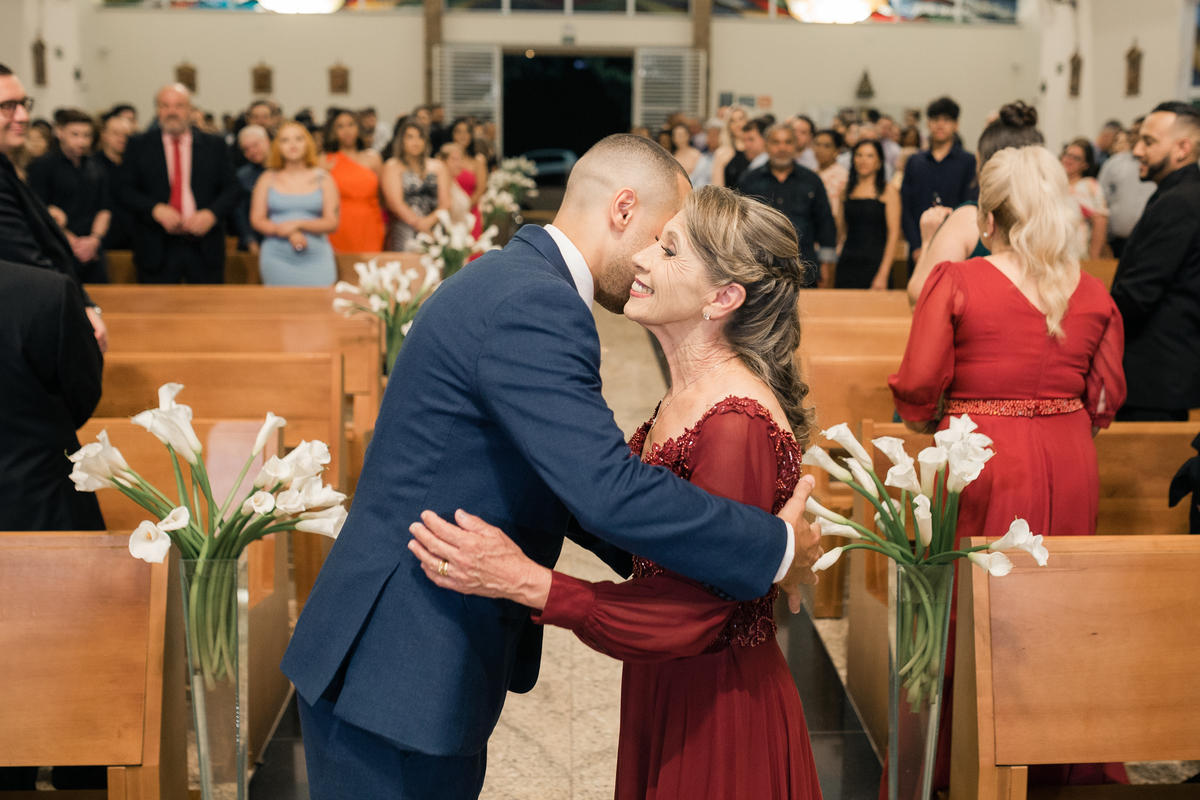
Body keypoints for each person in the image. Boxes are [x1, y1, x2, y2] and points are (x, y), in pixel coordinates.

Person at [280, 134, 823, 800]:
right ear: (623, 209)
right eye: (659, 237)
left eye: (670, 248)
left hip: (402, 657)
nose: (648, 258)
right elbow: (602, 487)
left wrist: (708, 563)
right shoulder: (537, 301)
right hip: (399, 667)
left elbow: (567, 480)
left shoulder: (513, 278)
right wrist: (773, 546)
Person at [890, 145, 1128, 794]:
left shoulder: (958, 280)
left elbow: (919, 384)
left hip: (983, 456)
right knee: (1058, 607)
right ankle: (1057, 756)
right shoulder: (1091, 291)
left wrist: (931, 417)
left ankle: (964, 759)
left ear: (988, 219)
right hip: (1069, 456)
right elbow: (1107, 397)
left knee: (975, 608)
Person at [0, 63, 106, 351]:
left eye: (23, 104)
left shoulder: (7, 167)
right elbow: (26, 258)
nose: (23, 116)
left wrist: (85, 302)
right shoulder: (34, 168)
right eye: (7, 106)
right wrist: (80, 309)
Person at [1110, 101, 1200, 422]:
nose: (1137, 151)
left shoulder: (1179, 202)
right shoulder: (1178, 194)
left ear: (1182, 148)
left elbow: (1139, 292)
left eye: (1148, 142)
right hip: (1161, 373)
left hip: (1155, 376)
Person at [907, 100, 1043, 306]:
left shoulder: (970, 218)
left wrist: (928, 241)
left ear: (983, 161)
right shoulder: (1048, 215)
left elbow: (921, 296)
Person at [113, 83, 239, 284]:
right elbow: (123, 189)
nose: (172, 112)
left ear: (190, 109)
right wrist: (154, 209)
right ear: (157, 110)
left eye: (179, 105)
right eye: (165, 105)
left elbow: (232, 188)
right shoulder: (139, 145)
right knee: (156, 305)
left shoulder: (214, 145)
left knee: (206, 304)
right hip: (156, 244)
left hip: (204, 245)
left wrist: (211, 214)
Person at [737, 123, 836, 288]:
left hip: (805, 269)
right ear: (766, 146)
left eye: (788, 142)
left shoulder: (812, 181)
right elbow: (738, 226)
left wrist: (826, 266)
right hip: (760, 271)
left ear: (796, 146)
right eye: (776, 142)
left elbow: (825, 223)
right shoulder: (749, 181)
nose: (782, 148)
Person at [27, 108, 112, 284]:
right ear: (59, 132)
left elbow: (104, 208)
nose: (82, 141)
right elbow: (40, 209)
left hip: (93, 249)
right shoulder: (42, 166)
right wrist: (73, 242)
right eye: (75, 134)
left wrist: (94, 240)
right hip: (58, 248)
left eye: (87, 135)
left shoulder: (97, 166)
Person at [250, 121, 338, 286]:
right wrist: (288, 232)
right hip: (277, 257)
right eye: (285, 140)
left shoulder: (324, 179)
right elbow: (257, 219)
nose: (292, 144)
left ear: (308, 143)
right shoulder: (267, 179)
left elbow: (332, 222)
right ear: (277, 147)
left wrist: (297, 224)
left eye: (298, 139)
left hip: (316, 257)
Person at [900, 96, 978, 272]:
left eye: (947, 120)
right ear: (928, 123)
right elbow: (906, 208)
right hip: (919, 249)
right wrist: (916, 246)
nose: (940, 125)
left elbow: (969, 206)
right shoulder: (915, 162)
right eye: (935, 119)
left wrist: (956, 246)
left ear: (956, 125)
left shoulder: (968, 162)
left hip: (956, 249)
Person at [836, 139, 901, 290]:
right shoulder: (845, 191)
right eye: (859, 155)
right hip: (848, 261)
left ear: (879, 162)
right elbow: (841, 230)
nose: (863, 160)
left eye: (870, 156)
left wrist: (883, 273)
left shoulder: (889, 191)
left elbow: (893, 235)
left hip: (876, 262)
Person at [320, 109, 385, 253]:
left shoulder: (373, 159)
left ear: (358, 128)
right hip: (339, 224)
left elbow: (383, 197)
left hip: (370, 223)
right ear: (333, 132)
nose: (347, 130)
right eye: (340, 126)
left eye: (351, 125)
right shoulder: (325, 161)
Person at [381, 120, 450, 252]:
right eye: (410, 137)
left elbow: (446, 203)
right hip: (405, 228)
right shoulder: (392, 166)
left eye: (420, 137)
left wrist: (429, 223)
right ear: (402, 141)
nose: (416, 142)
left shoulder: (438, 166)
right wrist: (419, 224)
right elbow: (394, 203)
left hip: (435, 227)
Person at [1098, 118, 1155, 258]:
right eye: (1133, 132)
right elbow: (1100, 201)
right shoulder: (1114, 163)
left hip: (1151, 241)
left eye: (1140, 132)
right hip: (1118, 242)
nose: (1135, 136)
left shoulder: (1158, 164)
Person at [1061, 137, 1109, 260]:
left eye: (1076, 158)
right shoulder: (1053, 184)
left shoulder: (1089, 186)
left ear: (1085, 164)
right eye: (1067, 155)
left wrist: (1094, 256)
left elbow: (1100, 221)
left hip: (1078, 255)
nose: (1069, 160)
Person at [95, 111, 135, 252]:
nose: (121, 138)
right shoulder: (92, 165)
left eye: (126, 134)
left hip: (133, 241)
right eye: (115, 133)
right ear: (104, 135)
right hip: (103, 241)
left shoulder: (137, 166)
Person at [231, 124, 269, 255]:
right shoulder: (242, 176)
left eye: (255, 145)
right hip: (254, 242)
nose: (252, 151)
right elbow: (239, 213)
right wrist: (250, 241)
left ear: (267, 142)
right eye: (246, 149)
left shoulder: (284, 171)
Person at [813, 128, 849, 235]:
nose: (820, 149)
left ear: (837, 150)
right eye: (817, 144)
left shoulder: (841, 176)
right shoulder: (812, 173)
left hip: (829, 231)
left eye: (826, 146)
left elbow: (837, 212)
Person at [448, 116, 488, 208]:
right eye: (458, 131)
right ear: (452, 134)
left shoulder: (478, 160)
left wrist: (464, 209)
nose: (463, 136)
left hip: (471, 208)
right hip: (449, 209)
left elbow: (480, 190)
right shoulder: (443, 158)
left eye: (467, 132)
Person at [709, 105, 750, 188]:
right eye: (732, 121)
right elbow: (718, 188)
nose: (738, 124)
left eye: (741, 119)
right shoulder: (721, 154)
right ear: (728, 126)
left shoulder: (758, 151)